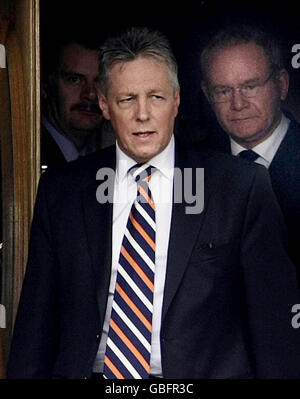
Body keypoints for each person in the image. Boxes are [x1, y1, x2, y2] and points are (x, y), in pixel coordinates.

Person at [7, 26, 300, 379]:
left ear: (176, 100)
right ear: (104, 104)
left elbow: (274, 329)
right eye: (127, 99)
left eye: (156, 97)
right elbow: (34, 330)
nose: (142, 114)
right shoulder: (62, 191)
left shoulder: (239, 186)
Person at [200, 25, 300, 282]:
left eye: (250, 86)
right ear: (208, 95)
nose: (238, 104)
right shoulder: (190, 168)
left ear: (282, 85)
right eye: (223, 91)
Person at [41, 35, 115, 170]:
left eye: (99, 82)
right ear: (46, 85)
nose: (91, 94)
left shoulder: (110, 158)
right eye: (74, 80)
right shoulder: (29, 154)